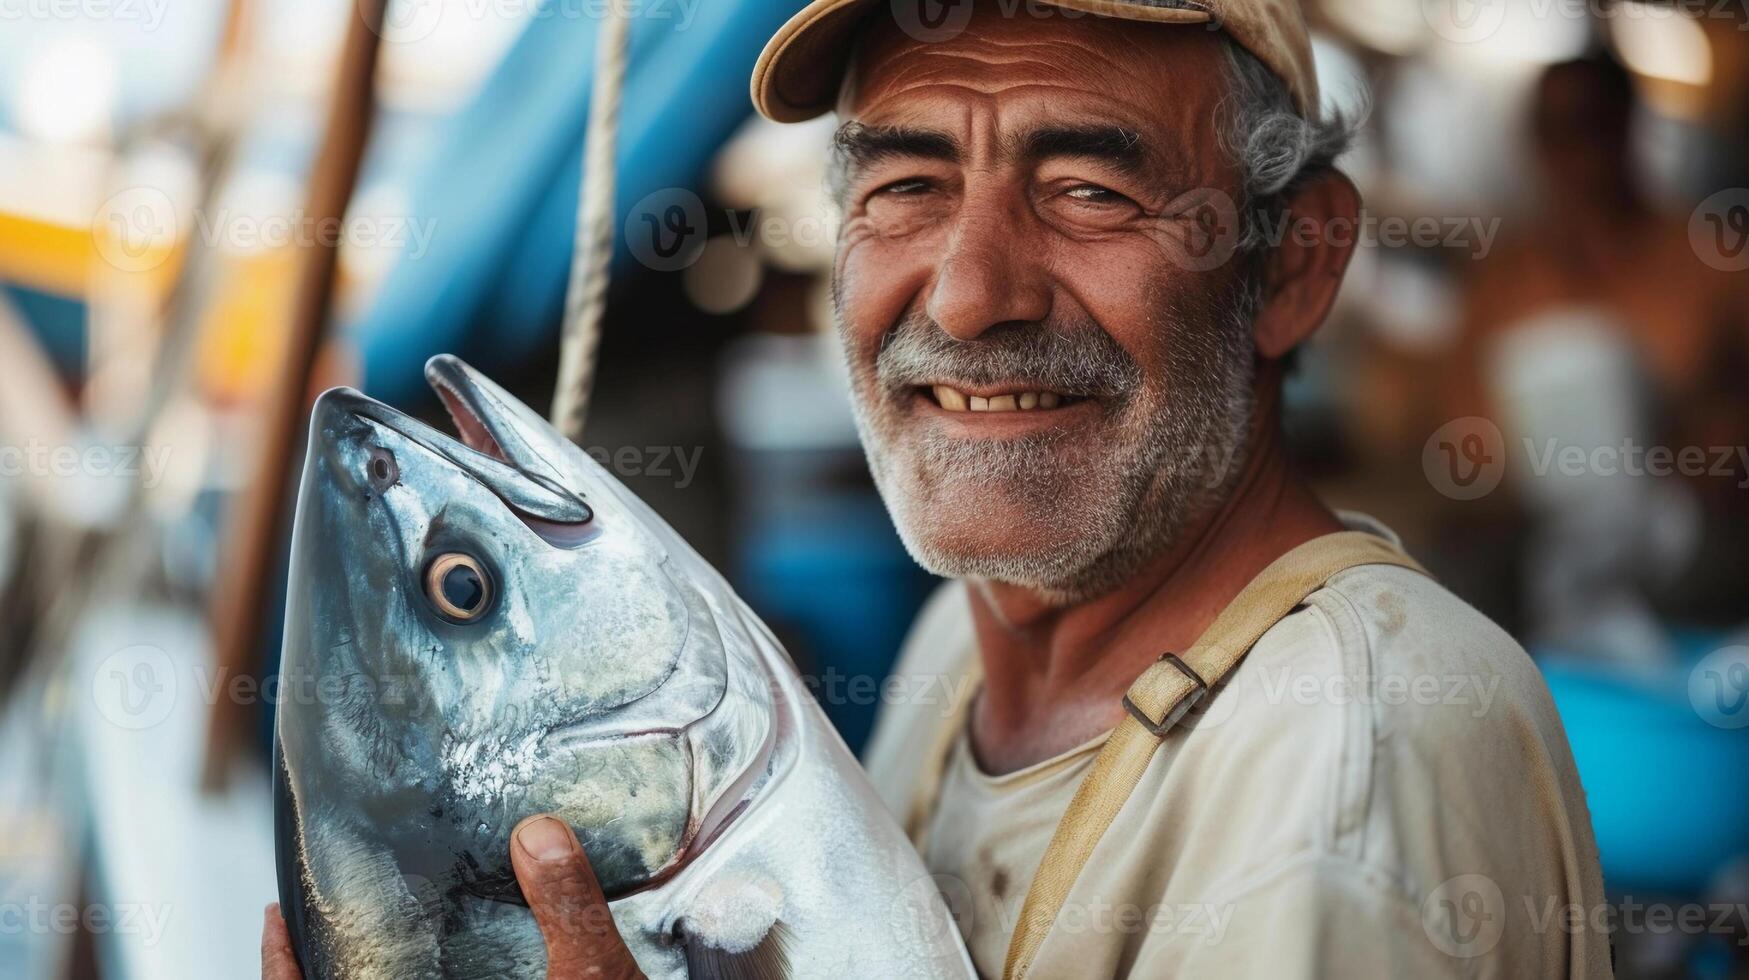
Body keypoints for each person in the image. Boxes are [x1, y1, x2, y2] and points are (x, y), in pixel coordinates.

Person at [267, 0, 1612, 976]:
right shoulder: (957, 645)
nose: (968, 296)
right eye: (905, 185)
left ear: (1295, 262)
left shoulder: (1338, 771)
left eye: (1088, 189)